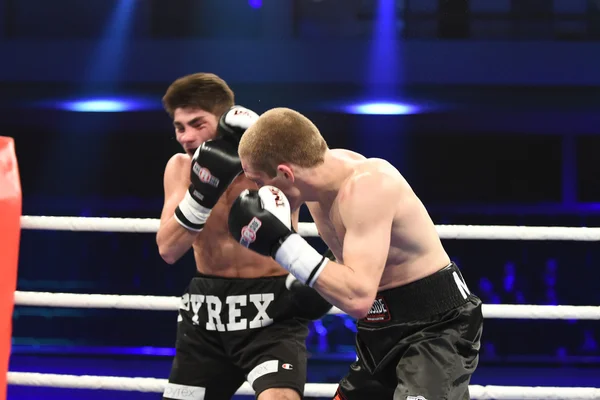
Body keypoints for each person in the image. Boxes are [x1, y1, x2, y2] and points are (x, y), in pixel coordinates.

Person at [227, 107, 484, 399]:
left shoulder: (366, 187)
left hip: (438, 329)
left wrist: (281, 245)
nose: (258, 192)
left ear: (286, 173)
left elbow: (359, 297)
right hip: (378, 330)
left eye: (259, 182)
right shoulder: (312, 179)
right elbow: (282, 145)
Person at [156, 76, 332, 400]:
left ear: (225, 119)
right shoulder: (180, 168)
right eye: (180, 127)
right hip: (207, 312)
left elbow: (323, 191)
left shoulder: (271, 163)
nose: (187, 137)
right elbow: (168, 249)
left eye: (197, 124)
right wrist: (202, 193)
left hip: (272, 309)